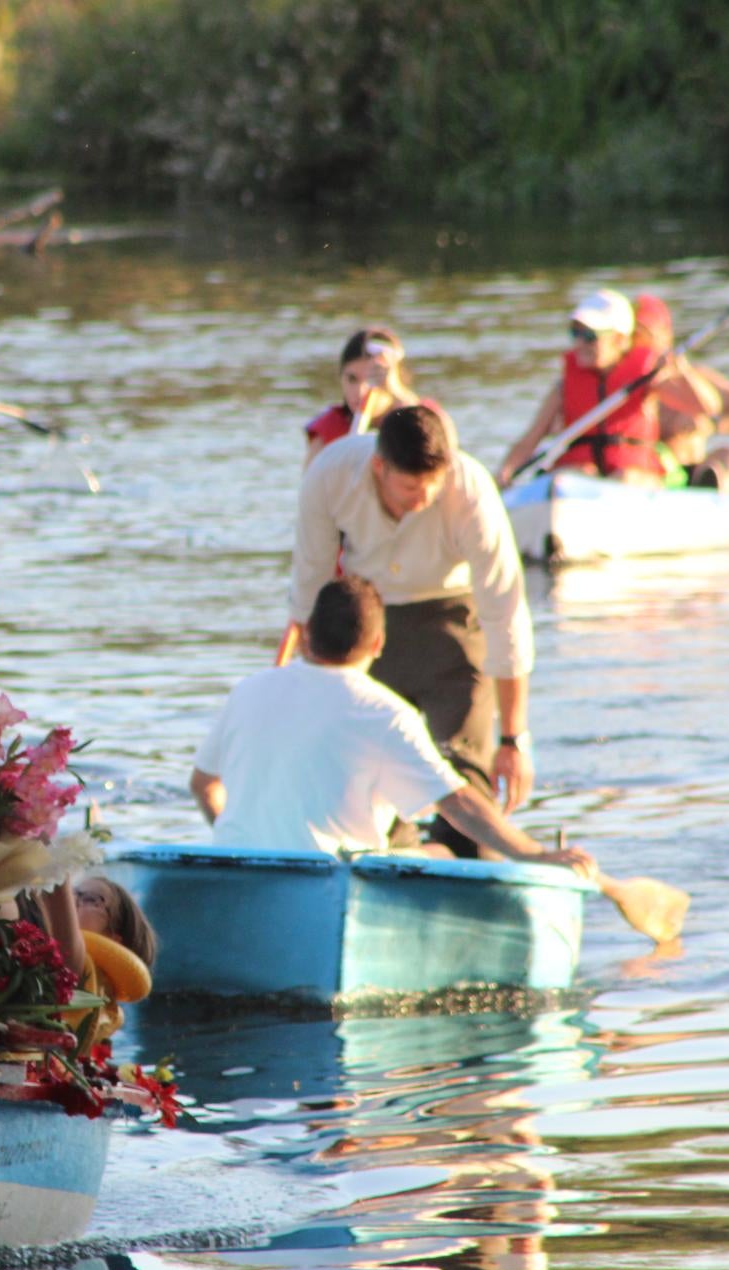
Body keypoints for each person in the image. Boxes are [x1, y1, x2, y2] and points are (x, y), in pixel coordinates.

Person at [197, 576, 687, 944]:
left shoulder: (249, 689)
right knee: (446, 853)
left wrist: (237, 832)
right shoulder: (385, 713)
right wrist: (535, 855)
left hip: (243, 877)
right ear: (378, 645)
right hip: (328, 894)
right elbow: (459, 805)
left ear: (305, 636)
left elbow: (204, 785)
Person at [289, 404, 534, 854]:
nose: (421, 501)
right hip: (367, 625)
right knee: (370, 776)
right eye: (408, 490)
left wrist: (514, 739)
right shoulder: (330, 475)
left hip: (455, 623)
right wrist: (306, 690)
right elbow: (310, 592)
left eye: (432, 489)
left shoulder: (471, 489)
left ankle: (470, 868)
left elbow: (506, 613)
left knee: (465, 777)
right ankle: (391, 861)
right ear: (379, 468)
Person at [497, 289, 666, 487]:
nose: (579, 343)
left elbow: (706, 407)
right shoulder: (562, 388)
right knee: (570, 477)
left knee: (625, 478)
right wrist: (504, 473)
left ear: (620, 339)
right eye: (575, 333)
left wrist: (679, 369)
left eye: (589, 336)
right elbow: (530, 440)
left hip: (633, 478)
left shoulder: (651, 379)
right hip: (584, 476)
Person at [631, 293, 729, 494]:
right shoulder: (618, 383)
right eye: (633, 336)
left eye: (645, 334)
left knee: (724, 455)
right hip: (643, 476)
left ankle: (712, 490)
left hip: (689, 476)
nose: (639, 343)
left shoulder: (694, 377)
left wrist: (713, 425)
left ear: (665, 335)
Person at [40, 875, 157, 1045]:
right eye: (73, 892)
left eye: (91, 899)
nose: (73, 899)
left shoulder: (92, 980)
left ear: (114, 940)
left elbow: (55, 881)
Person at [302, 327, 428, 466]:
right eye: (352, 379)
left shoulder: (426, 417)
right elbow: (309, 485)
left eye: (372, 379)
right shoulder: (328, 431)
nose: (361, 391)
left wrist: (396, 392)